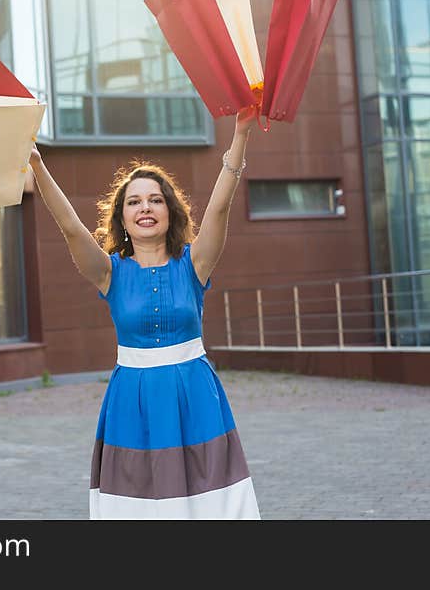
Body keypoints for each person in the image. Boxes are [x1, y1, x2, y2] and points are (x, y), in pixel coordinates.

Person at [28, 106, 260, 520]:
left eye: (155, 199)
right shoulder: (108, 273)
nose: (145, 207)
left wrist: (239, 135)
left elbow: (220, 209)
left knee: (207, 500)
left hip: (195, 394)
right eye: (134, 202)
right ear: (122, 218)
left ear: (170, 210)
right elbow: (69, 226)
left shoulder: (194, 264)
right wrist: (38, 165)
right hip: (131, 398)